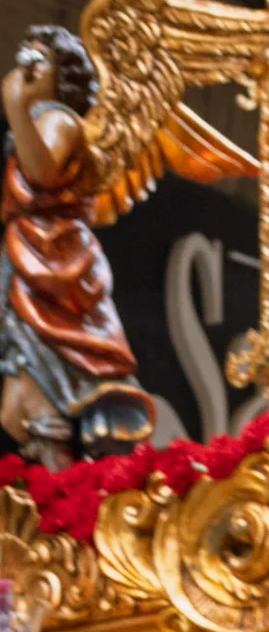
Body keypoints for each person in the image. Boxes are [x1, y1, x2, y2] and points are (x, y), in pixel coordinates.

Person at [1, 24, 154, 465]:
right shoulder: (32, 123)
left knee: (46, 381)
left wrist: (14, 102)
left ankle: (63, 489)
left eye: (39, 61)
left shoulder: (60, 120)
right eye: (24, 56)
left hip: (55, 260)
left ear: (63, 75)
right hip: (25, 251)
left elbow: (41, 174)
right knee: (16, 402)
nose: (27, 68)